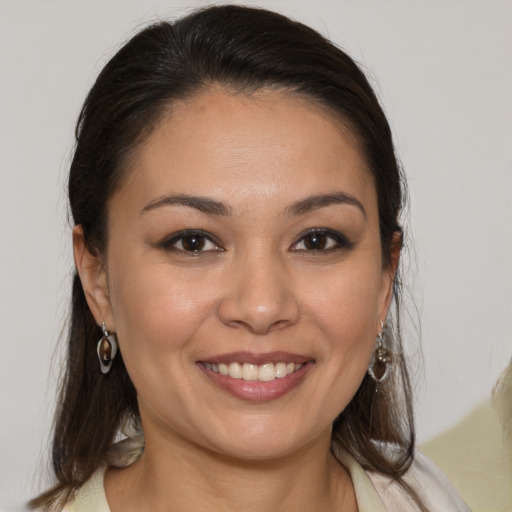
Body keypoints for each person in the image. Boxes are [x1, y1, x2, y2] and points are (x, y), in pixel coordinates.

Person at [29, 5, 470, 511]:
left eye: (317, 240)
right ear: (98, 278)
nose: (261, 307)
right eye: (193, 241)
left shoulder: (428, 497)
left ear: (383, 278)